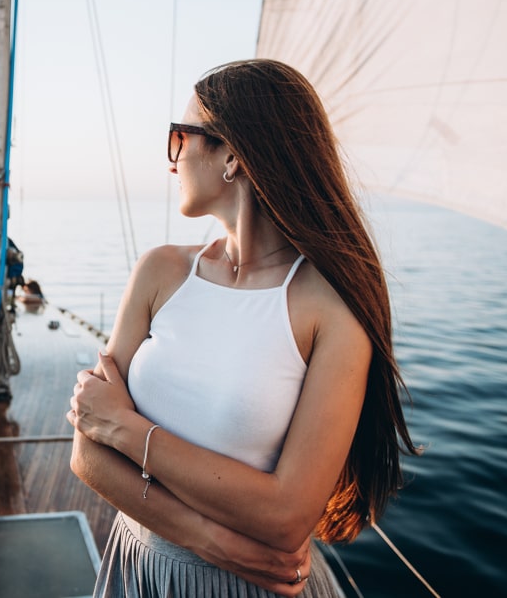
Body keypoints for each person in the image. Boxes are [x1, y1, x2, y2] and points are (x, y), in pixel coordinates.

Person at [67, 59, 419, 597]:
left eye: (179, 138)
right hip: (141, 568)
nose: (171, 160)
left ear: (232, 155)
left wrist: (126, 429)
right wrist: (211, 539)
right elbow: (85, 452)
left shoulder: (330, 309)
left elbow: (285, 517)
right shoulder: (159, 271)